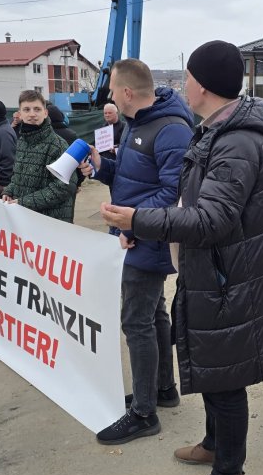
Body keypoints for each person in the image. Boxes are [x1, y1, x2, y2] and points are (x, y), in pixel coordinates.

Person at [99, 40, 263, 475]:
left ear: (200, 85)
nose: (182, 85)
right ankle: (212, 444)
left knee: (226, 380)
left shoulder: (237, 140)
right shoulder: (216, 129)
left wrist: (139, 219)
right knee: (212, 366)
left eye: (186, 78)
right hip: (213, 271)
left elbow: (213, 218)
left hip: (229, 275)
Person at [79, 58, 192, 446]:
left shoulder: (172, 129)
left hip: (147, 237)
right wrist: (101, 167)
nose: (108, 96)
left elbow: (174, 193)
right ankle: (162, 390)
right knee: (153, 314)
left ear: (127, 93)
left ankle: (144, 414)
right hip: (136, 232)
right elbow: (133, 178)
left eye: (111, 89)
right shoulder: (135, 123)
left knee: (136, 321)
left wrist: (134, 224)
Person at [2, 90, 77, 222]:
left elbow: (64, 186)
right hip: (25, 218)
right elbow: (18, 176)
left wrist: (24, 202)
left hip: (50, 221)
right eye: (26, 109)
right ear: (19, 114)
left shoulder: (58, 145)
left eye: (37, 109)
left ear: (45, 112)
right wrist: (8, 191)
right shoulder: (22, 142)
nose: (32, 114)